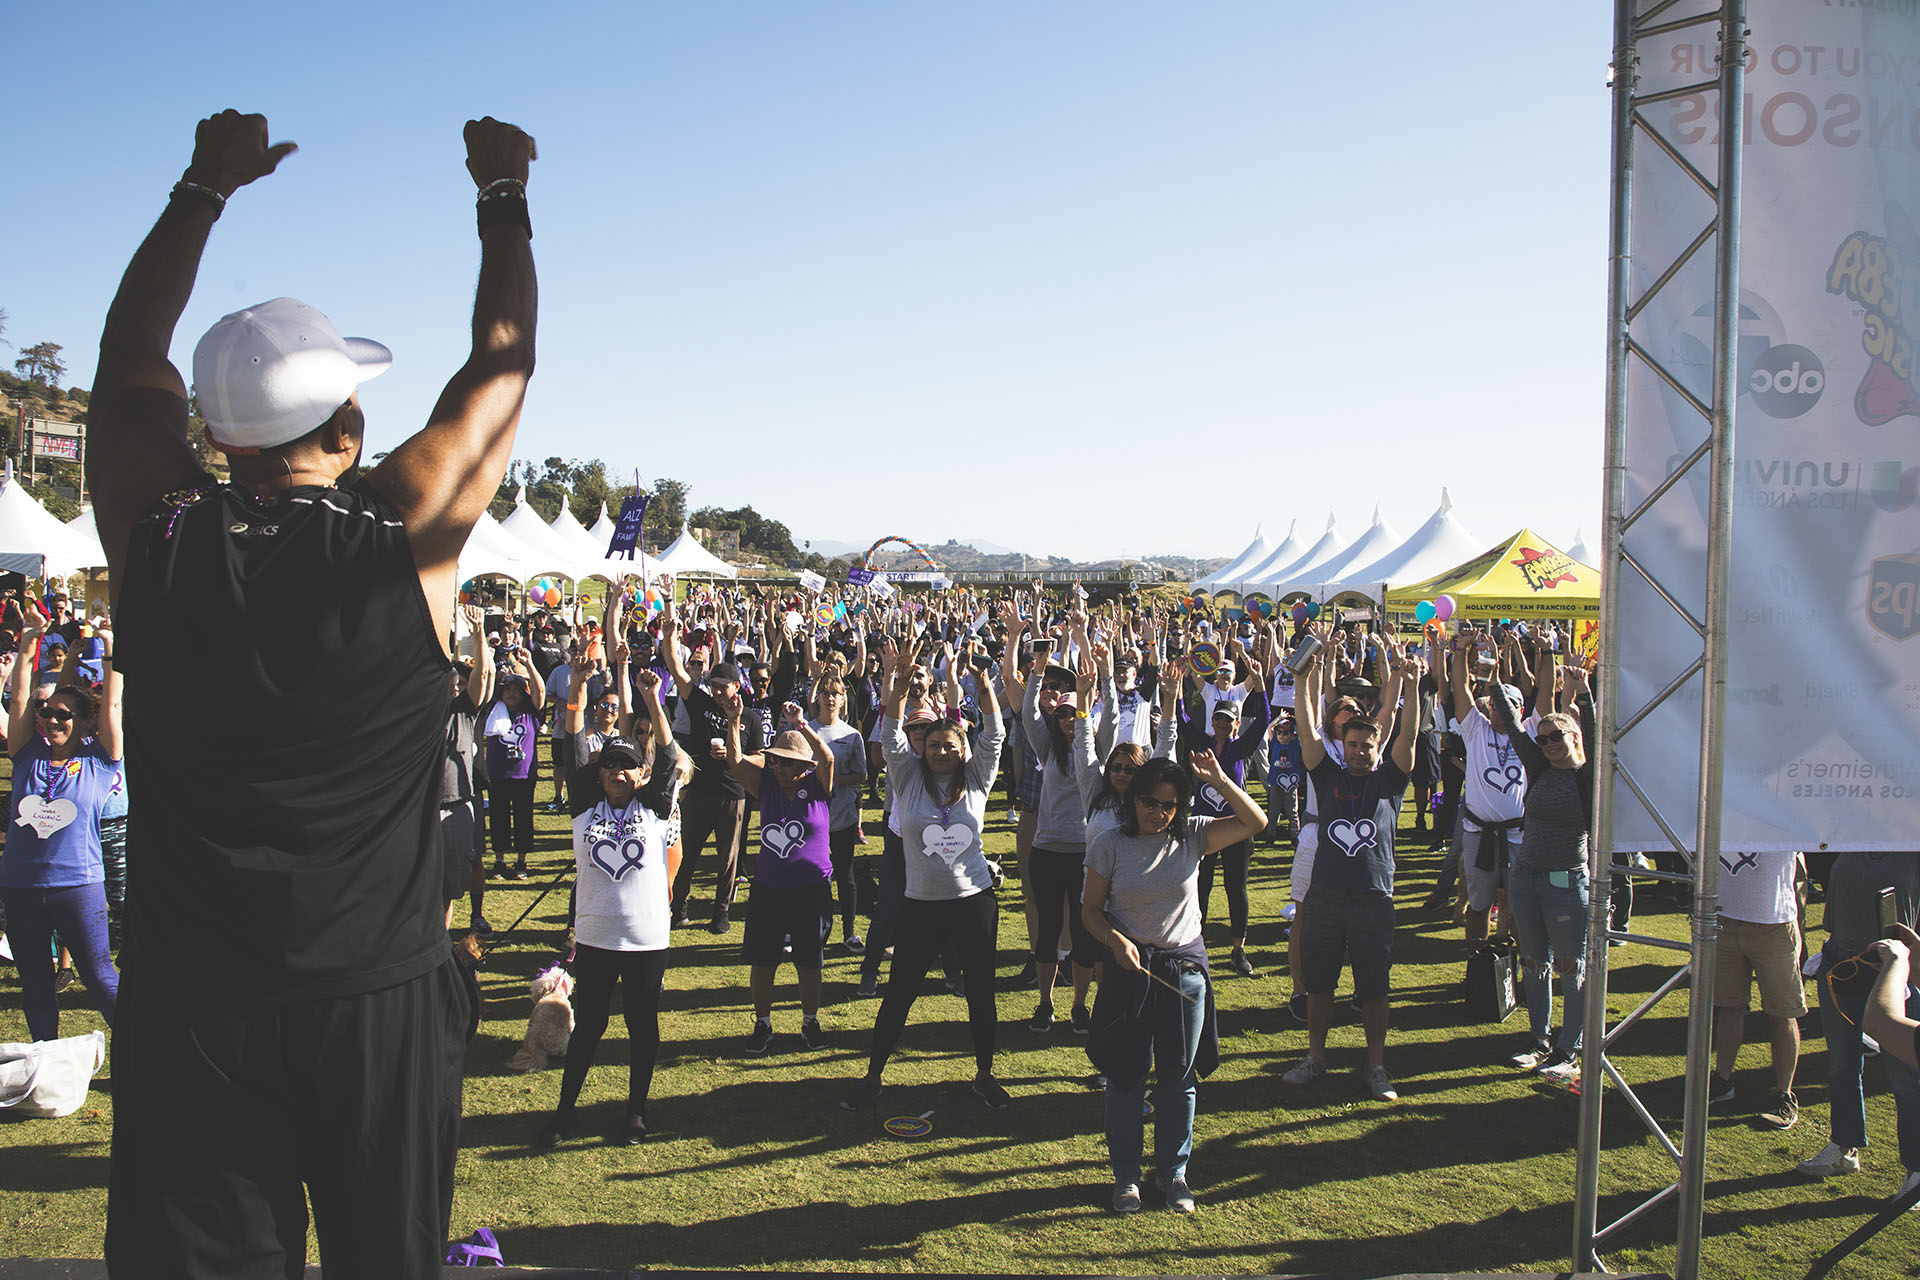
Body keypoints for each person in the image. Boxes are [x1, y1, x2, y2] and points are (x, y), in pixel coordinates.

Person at [90, 110, 535, 1277]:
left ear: (215, 434)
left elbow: (129, 351)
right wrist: (503, 189)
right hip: (374, 997)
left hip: (194, 998)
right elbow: (502, 361)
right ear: (351, 421)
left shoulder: (153, 530)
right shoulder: (409, 530)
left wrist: (203, 185)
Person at [1083, 751, 1265, 1214]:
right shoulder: (1109, 843)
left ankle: (1173, 1172)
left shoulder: (1193, 834)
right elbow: (1089, 911)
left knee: (1179, 1078)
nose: (1157, 813)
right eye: (1148, 802)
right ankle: (1126, 1175)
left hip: (1184, 972)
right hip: (1131, 973)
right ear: (1132, 799)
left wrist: (1222, 779)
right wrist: (1115, 940)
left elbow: (1255, 822)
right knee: (1125, 1077)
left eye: (1168, 805)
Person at [840, 637, 1009, 1111]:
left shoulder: (977, 778)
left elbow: (994, 733)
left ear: (961, 748)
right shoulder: (908, 777)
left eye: (948, 744)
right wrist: (896, 680)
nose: (939, 751)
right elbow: (891, 732)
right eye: (932, 744)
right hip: (921, 905)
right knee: (899, 995)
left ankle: (983, 1074)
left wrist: (979, 679)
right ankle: (873, 1076)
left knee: (980, 992)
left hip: (973, 901)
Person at [1283, 639, 1422, 1102]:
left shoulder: (1391, 780)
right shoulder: (1328, 773)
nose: (1361, 750)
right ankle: (1316, 1057)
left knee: (1375, 989)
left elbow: (1410, 737)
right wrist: (1303, 682)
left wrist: (1412, 686)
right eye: (1354, 743)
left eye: (1368, 744)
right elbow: (1305, 730)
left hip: (1373, 899)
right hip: (1324, 896)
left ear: (1377, 747)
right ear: (1343, 745)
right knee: (1319, 985)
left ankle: (1376, 1066)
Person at [542, 732, 685, 1149]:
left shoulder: (656, 808)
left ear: (641, 773)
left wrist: (651, 701)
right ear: (597, 773)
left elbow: (669, 755)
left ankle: (636, 1112)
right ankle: (565, 1111)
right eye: (609, 765)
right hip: (595, 937)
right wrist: (580, 690)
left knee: (642, 1025)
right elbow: (571, 748)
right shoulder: (584, 808)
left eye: (627, 765)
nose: (616, 772)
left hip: (646, 938)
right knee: (589, 1026)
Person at [0, 614, 124, 1040]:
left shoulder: (100, 756)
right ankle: (45, 1062)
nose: (51, 720)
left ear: (85, 721)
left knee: (101, 977)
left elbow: (110, 703)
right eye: (47, 712)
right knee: (35, 980)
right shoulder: (26, 752)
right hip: (19, 885)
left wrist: (109, 648)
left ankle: (146, 1054)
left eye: (63, 715)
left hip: (78, 884)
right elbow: (18, 701)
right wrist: (27, 646)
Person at [1491, 666, 1596, 1082]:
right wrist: (1494, 675)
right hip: (1526, 878)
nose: (1549, 744)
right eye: (1544, 738)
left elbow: (1598, 733)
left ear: (1574, 738)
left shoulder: (1586, 777)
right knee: (1533, 963)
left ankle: (1570, 1048)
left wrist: (1584, 697)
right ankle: (1540, 1040)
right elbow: (1515, 728)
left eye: (1557, 736)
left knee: (1572, 967)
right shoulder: (1538, 769)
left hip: (1567, 881)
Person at [1797, 854, 1919, 1192]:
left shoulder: (1911, 841)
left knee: (1906, 1076)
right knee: (1842, 1066)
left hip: (1898, 971)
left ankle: (1916, 1170)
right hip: (1842, 964)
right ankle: (1844, 1147)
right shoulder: (1847, 838)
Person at [729, 706, 837, 1052]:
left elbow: (828, 757)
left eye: (787, 762)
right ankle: (763, 1024)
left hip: (811, 888)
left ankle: (809, 1022)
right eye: (775, 760)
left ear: (804, 766)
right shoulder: (767, 786)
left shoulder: (818, 784)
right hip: (769, 888)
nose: (779, 767)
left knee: (809, 959)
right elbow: (734, 761)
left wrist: (801, 726)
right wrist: (733, 721)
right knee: (763, 959)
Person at [1706, 850, 1807, 1131]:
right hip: (1724, 920)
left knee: (1783, 1013)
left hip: (1774, 923)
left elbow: (1801, 872)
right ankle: (1722, 1080)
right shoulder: (1725, 807)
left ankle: (1784, 1093)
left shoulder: (1785, 813)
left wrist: (1798, 918)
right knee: (1729, 1006)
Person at [484, 649, 546, 880]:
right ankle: (499, 861)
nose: (511, 693)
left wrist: (529, 663)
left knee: (523, 817)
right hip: (498, 774)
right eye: (507, 689)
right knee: (499, 817)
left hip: (523, 775)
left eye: (515, 689)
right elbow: (485, 684)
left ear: (522, 693)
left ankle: (521, 861)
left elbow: (540, 691)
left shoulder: (530, 712)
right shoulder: (493, 710)